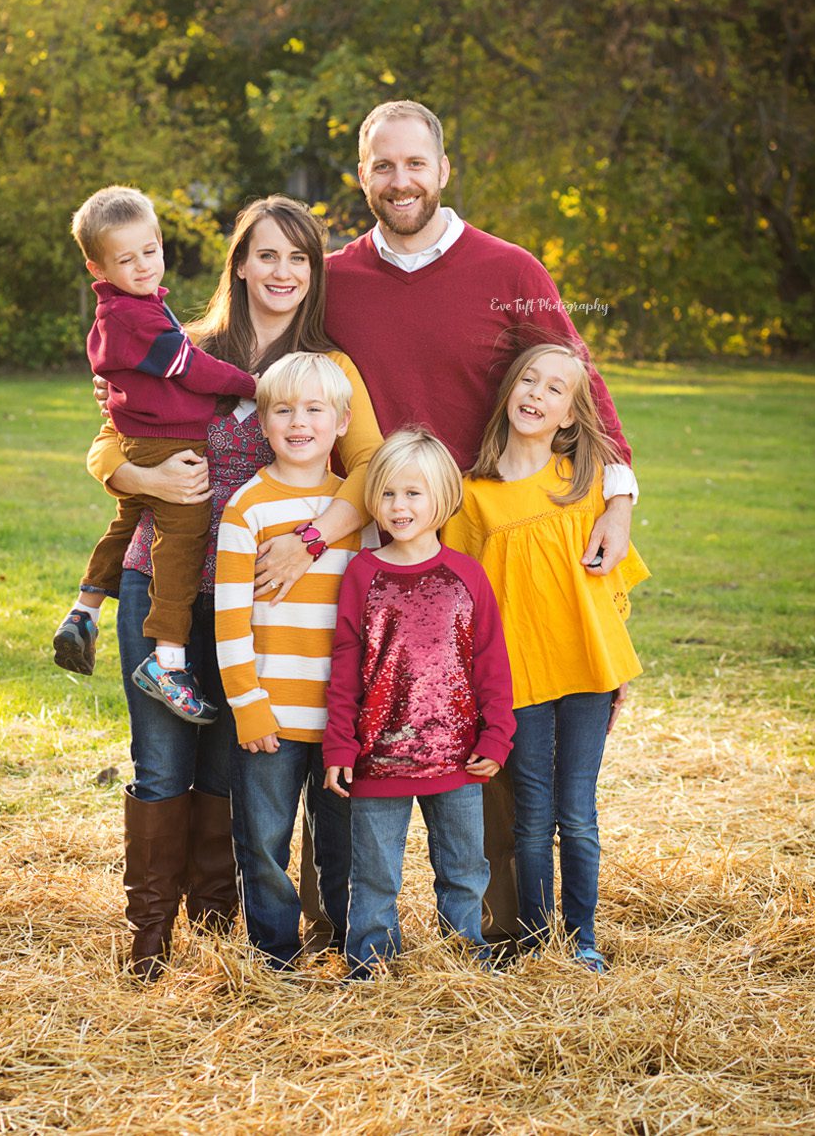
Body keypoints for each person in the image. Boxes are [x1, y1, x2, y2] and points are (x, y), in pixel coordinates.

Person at [250, 99, 642, 952]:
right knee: (354, 717)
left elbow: (579, 377)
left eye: (414, 164)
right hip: (371, 543)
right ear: (362, 175)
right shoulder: (339, 279)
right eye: (382, 166)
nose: (400, 181)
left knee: (484, 723)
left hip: (485, 541)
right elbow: (289, 372)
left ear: (442, 169)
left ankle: (504, 930)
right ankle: (346, 926)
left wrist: (617, 495)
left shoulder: (507, 268)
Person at [85, 196, 382, 981]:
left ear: (314, 272)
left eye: (299, 257)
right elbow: (110, 434)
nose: (282, 272)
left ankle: (219, 932)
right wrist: (138, 472)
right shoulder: (183, 344)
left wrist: (309, 540)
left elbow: (372, 475)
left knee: (226, 766)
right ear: (240, 264)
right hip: (169, 585)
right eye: (267, 255)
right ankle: (148, 937)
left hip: (265, 601)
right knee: (159, 763)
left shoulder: (328, 369)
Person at [444, 343, 650, 972]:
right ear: (508, 391)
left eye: (555, 389)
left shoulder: (584, 484)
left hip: (587, 670)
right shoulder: (473, 496)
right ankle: (536, 944)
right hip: (520, 678)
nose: (537, 393)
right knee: (532, 817)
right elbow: (463, 600)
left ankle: (583, 940)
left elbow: (607, 591)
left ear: (569, 415)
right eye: (528, 380)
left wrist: (617, 673)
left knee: (577, 814)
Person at [54, 186, 258, 725]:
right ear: (98, 266)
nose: (143, 265)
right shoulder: (133, 317)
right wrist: (252, 386)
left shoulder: (139, 307)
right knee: (184, 535)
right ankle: (168, 659)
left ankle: (85, 608)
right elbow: (189, 369)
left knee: (128, 522)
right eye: (126, 259)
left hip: (151, 436)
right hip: (166, 444)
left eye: (151, 251)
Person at [323, 428, 516, 980]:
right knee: (376, 872)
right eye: (387, 494)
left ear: (443, 499)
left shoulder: (467, 575)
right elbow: (345, 666)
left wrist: (495, 736)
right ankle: (371, 966)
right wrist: (340, 744)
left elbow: (491, 666)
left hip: (457, 760)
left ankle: (463, 960)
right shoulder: (363, 572)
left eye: (413, 494)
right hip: (378, 757)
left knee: (462, 868)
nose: (399, 507)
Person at [214, 351, 379, 970]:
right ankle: (272, 955)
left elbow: (367, 619)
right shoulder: (247, 510)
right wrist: (249, 705)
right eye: (284, 410)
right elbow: (228, 619)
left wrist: (365, 705)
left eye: (315, 409)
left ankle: (343, 946)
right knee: (263, 842)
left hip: (340, 717)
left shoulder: (355, 514)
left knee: (342, 842)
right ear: (262, 421)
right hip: (271, 718)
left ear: (342, 423)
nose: (299, 422)